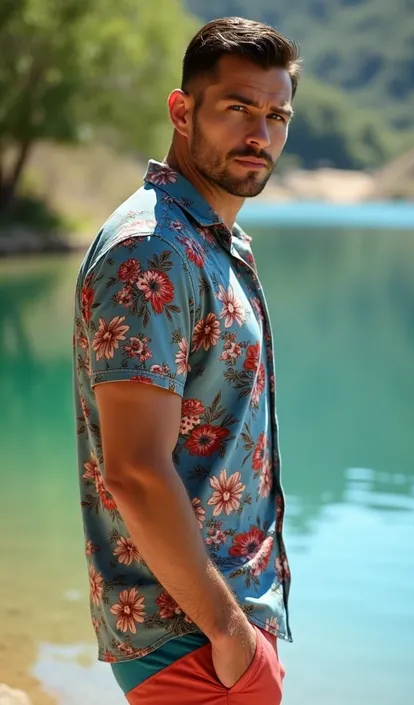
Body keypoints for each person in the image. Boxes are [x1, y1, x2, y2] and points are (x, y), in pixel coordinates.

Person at [73, 15, 301, 705]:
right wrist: (229, 634)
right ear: (181, 110)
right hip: (191, 637)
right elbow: (136, 470)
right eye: (238, 108)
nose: (260, 134)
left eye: (276, 114)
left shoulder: (209, 242)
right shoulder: (153, 250)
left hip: (213, 631)